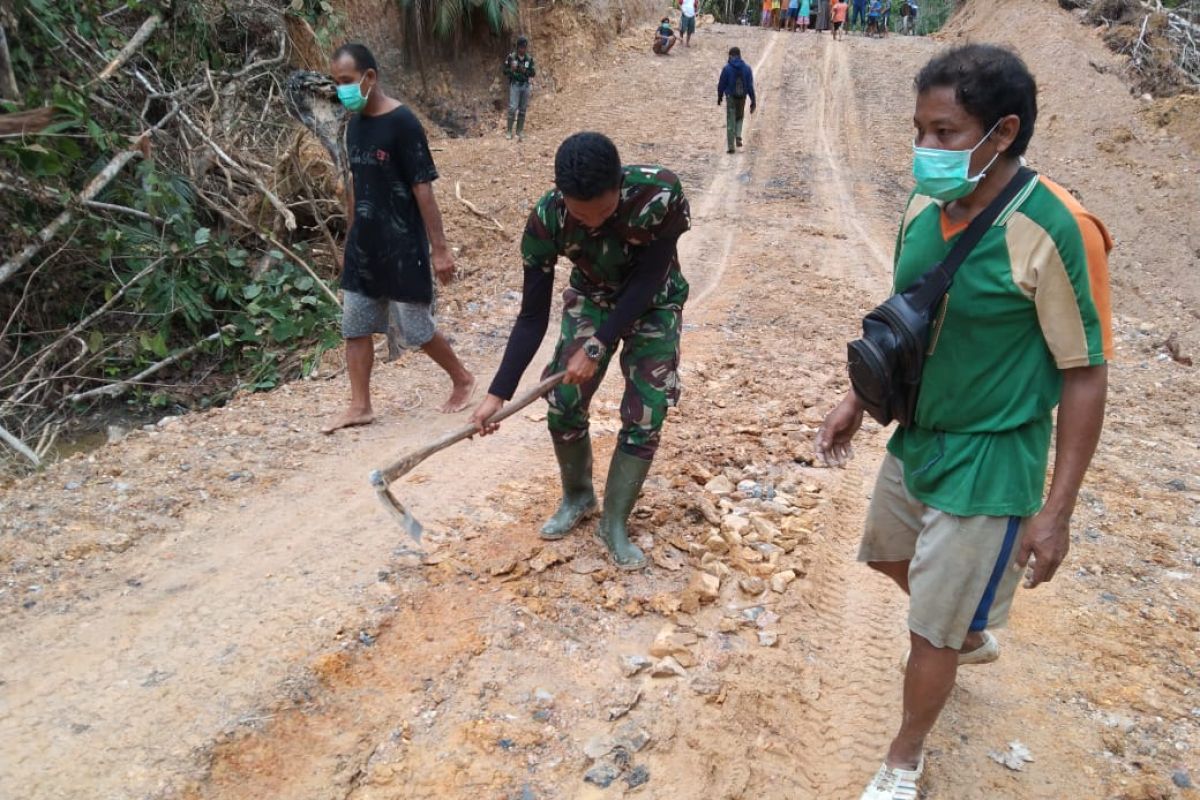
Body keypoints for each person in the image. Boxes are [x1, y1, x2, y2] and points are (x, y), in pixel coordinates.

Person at [814, 44, 1112, 800]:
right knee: (887, 560)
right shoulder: (921, 206)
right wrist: (857, 400)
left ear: (1003, 131)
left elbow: (1085, 371)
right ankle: (970, 624)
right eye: (919, 130)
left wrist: (1058, 510)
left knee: (929, 631)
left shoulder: (1058, 228)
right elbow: (904, 324)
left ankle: (902, 759)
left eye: (945, 134)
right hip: (918, 434)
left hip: (992, 456)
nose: (926, 150)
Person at [469, 133, 691, 571]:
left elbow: (648, 279)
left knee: (646, 411)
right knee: (564, 402)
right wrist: (497, 393)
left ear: (619, 185)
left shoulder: (658, 193)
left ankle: (614, 522)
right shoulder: (546, 219)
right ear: (561, 196)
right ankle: (578, 496)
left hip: (655, 301)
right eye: (579, 214)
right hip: (592, 299)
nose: (592, 224)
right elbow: (532, 316)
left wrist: (597, 344)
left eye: (604, 213)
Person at [324, 43, 474, 434]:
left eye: (346, 81)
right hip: (365, 247)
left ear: (369, 78)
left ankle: (462, 378)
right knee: (354, 326)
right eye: (336, 82)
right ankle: (360, 405)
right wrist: (350, 239)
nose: (341, 90)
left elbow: (423, 187)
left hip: (403, 246)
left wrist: (439, 249)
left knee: (416, 329)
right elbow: (356, 183)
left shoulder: (404, 123)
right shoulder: (354, 124)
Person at [717, 47, 757, 154]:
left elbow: (721, 84)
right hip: (742, 97)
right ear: (739, 55)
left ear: (730, 55)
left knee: (731, 119)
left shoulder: (727, 68)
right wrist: (753, 100)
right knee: (739, 117)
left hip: (731, 97)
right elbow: (750, 86)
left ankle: (731, 146)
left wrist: (719, 96)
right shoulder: (747, 68)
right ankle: (738, 135)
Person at [503, 36, 536, 142]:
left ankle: (519, 130)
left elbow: (533, 73)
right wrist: (511, 70)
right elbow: (504, 71)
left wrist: (525, 71)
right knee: (512, 108)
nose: (523, 49)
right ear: (517, 47)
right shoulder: (511, 57)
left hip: (525, 85)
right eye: (521, 47)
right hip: (515, 85)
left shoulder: (529, 59)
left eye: (524, 47)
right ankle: (509, 131)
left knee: (523, 109)